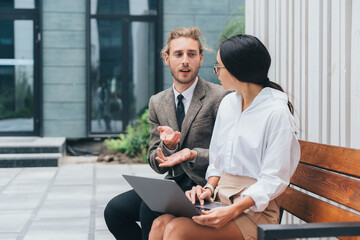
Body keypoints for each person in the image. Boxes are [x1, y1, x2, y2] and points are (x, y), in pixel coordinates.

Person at [149, 34, 301, 240]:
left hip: (254, 211)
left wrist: (232, 210)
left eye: (219, 67)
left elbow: (273, 179)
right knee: (160, 224)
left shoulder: (276, 113)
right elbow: (218, 160)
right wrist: (208, 188)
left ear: (236, 70)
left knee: (177, 230)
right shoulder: (230, 104)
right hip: (221, 198)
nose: (216, 72)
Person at [104, 27, 227, 240]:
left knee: (149, 209)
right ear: (167, 58)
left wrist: (191, 153)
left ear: (200, 58)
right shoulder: (157, 102)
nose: (185, 61)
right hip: (172, 184)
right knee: (114, 211)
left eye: (191, 54)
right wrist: (168, 147)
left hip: (205, 184)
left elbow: (226, 152)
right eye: (178, 54)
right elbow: (154, 161)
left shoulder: (219, 97)